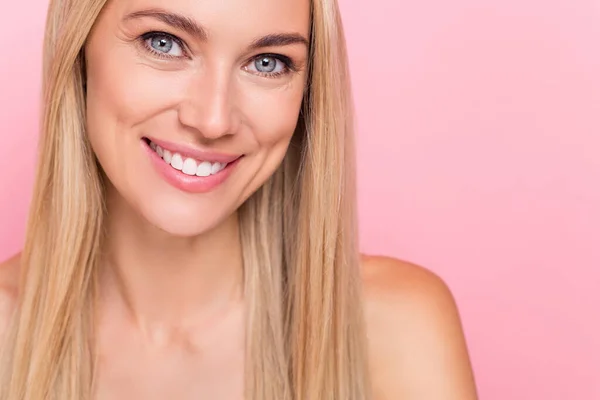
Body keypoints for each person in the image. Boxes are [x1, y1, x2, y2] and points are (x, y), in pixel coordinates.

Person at [0, 0, 478, 398]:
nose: (213, 120)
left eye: (267, 62)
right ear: (80, 50)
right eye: (163, 42)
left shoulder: (395, 327)